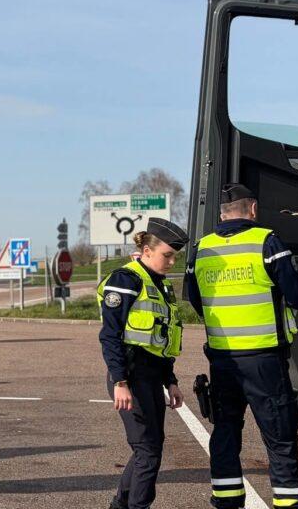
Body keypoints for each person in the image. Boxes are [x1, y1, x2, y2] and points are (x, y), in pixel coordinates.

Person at [186, 183, 298, 509]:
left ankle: (227, 501)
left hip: (223, 361)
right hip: (264, 359)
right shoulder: (266, 242)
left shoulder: (201, 249)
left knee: (226, 432)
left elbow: (196, 301)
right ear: (253, 209)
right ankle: (288, 505)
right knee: (280, 438)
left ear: (222, 214)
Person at [97, 218, 188, 509]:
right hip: (130, 376)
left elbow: (159, 342)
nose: (172, 261)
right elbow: (110, 336)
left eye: (175, 256)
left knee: (148, 449)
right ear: (147, 250)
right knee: (147, 451)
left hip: (151, 376)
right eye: (167, 255)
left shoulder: (159, 286)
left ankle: (119, 505)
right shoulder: (125, 280)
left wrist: (171, 381)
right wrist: (120, 381)